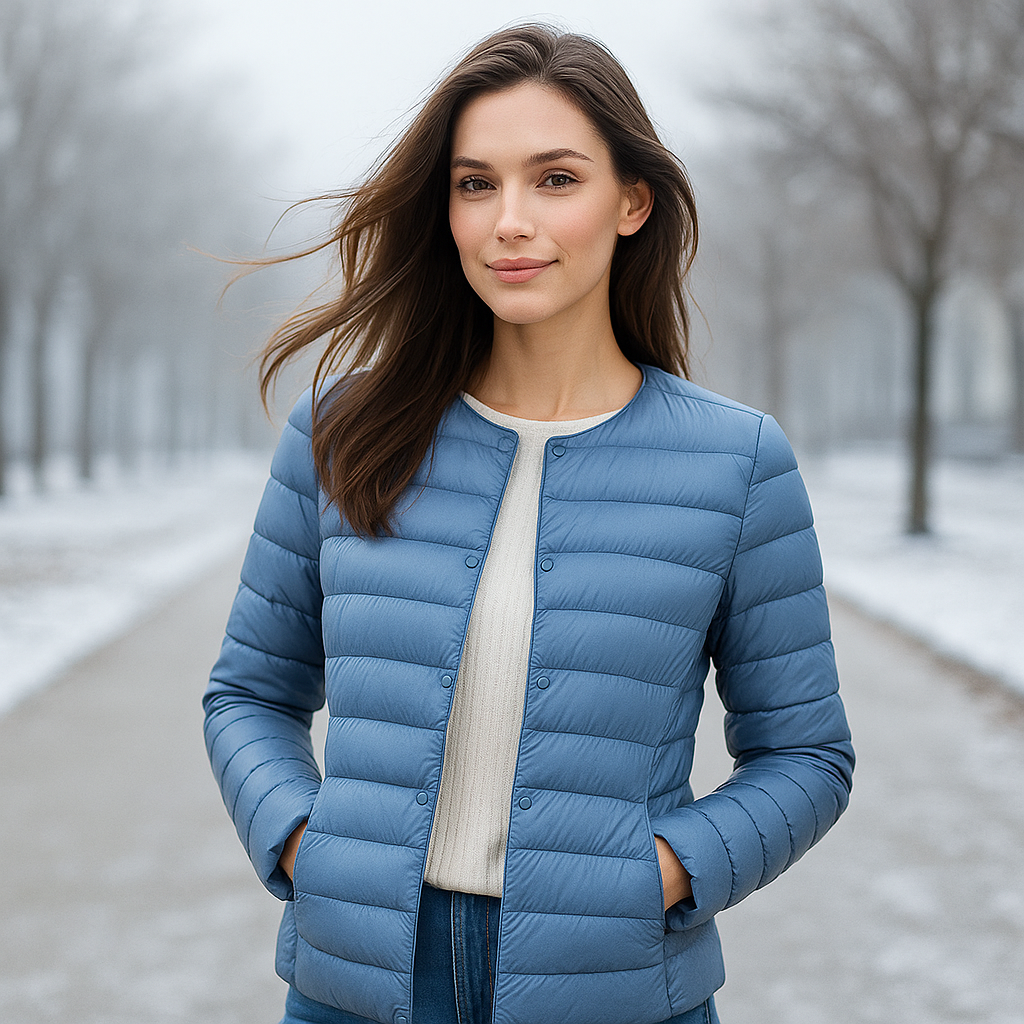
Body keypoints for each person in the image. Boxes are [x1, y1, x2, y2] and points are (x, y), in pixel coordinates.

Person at [203, 23, 854, 1024]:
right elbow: (249, 690)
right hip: (359, 986)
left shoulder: (734, 462)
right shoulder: (344, 430)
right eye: (475, 184)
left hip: (614, 989)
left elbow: (805, 754)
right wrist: (301, 841)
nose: (510, 220)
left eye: (555, 179)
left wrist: (665, 873)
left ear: (631, 201)